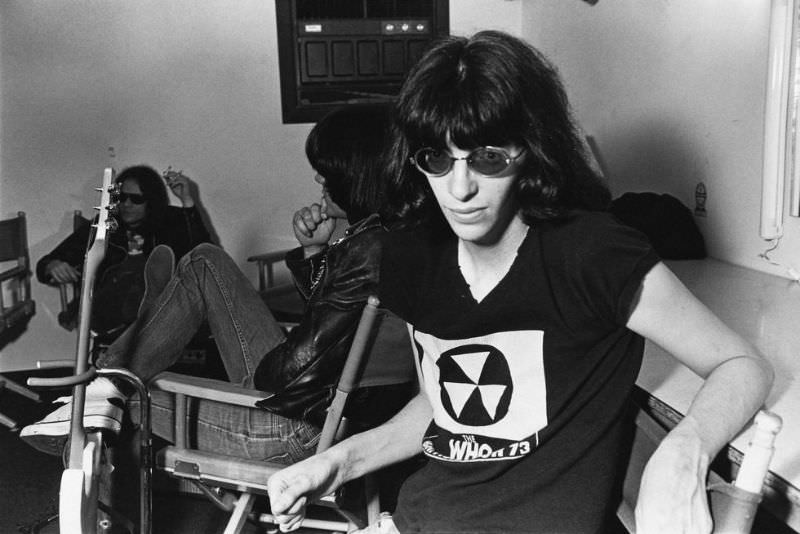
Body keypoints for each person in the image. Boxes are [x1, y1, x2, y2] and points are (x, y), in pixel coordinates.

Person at [265, 31, 774, 534]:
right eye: (438, 160)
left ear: (531, 149)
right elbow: (445, 406)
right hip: (418, 519)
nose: (460, 189)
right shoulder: (411, 257)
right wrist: (339, 462)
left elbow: (741, 364)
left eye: (488, 158)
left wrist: (684, 451)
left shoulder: (592, 256)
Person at [21, 103, 415, 469]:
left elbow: (292, 368)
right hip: (329, 412)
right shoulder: (387, 235)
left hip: (296, 430)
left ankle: (100, 386)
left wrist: (236, 375)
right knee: (204, 260)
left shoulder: (369, 248)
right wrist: (314, 251)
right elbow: (334, 330)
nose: (318, 177)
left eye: (328, 168)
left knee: (116, 402)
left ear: (359, 173)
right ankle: (108, 377)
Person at [36, 164, 211, 340]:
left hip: (157, 310)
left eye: (136, 199)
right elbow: (46, 264)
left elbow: (207, 255)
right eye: (121, 197)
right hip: (111, 309)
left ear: (150, 201)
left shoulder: (170, 221)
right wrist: (53, 265)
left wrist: (187, 201)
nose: (126, 204)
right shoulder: (105, 225)